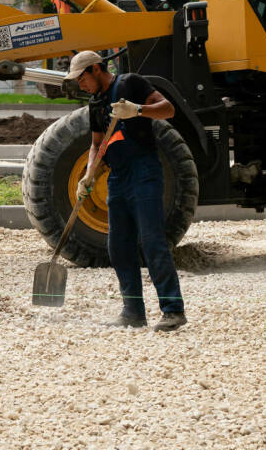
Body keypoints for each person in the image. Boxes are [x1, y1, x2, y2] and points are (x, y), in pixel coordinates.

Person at [68, 50, 187, 332]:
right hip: (117, 177)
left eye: (82, 78)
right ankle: (133, 311)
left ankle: (173, 311)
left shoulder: (131, 83)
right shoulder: (96, 103)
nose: (80, 85)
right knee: (119, 246)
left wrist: (138, 110)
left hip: (144, 172)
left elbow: (169, 109)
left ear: (96, 69)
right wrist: (88, 175)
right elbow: (98, 144)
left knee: (152, 241)